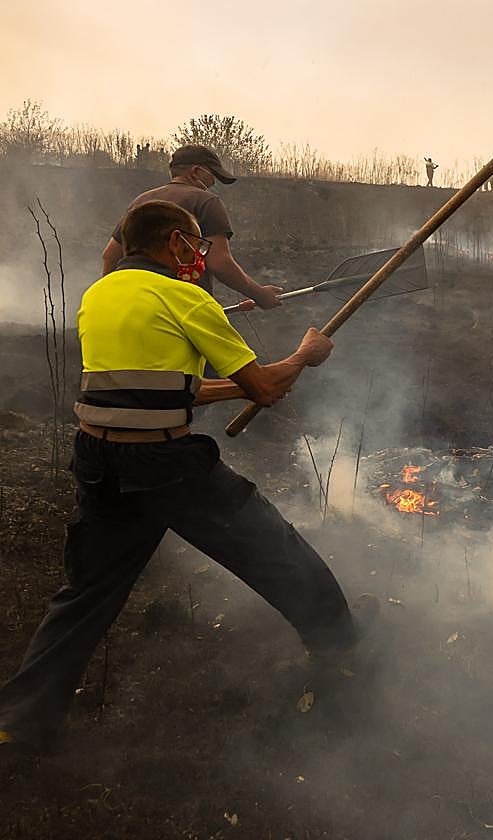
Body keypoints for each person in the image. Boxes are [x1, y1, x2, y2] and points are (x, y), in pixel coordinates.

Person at [0, 201, 369, 760]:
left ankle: (18, 726)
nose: (200, 256)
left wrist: (247, 381)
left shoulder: (100, 293)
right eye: (196, 244)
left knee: (84, 595)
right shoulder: (185, 296)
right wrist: (303, 355)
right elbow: (266, 389)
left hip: (99, 460)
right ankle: (342, 652)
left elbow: (177, 387)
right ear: (174, 242)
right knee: (275, 548)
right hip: (166, 466)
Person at [100, 145, 281, 310]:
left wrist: (109, 298)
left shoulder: (141, 201)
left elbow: (110, 255)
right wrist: (259, 294)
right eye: (212, 175)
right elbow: (219, 263)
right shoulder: (205, 202)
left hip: (136, 304)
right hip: (185, 306)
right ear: (196, 171)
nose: (213, 182)